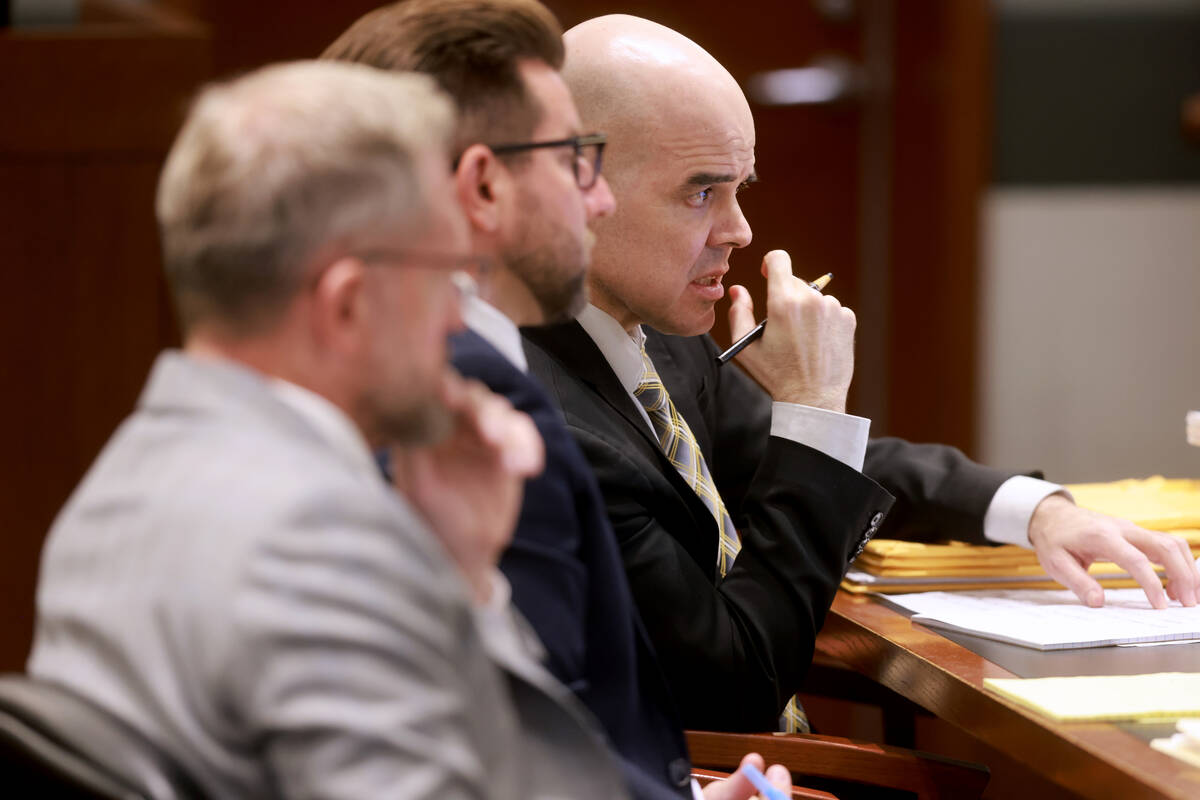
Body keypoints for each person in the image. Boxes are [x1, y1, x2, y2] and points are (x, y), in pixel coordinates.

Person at [522, 14, 1200, 732]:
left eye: (741, 188)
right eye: (701, 194)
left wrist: (1037, 511)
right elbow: (737, 683)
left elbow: (837, 471)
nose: (740, 230)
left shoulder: (653, 336)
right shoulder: (544, 419)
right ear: (580, 189)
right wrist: (812, 404)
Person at [25, 60, 635, 799]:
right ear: (348, 304)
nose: (457, 317)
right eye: (448, 277)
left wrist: (465, 575)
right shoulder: (318, 535)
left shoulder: (114, 492)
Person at [321, 2, 793, 798]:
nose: (598, 201)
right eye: (571, 164)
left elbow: (501, 728)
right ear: (482, 184)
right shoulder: (474, 411)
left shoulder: (388, 373)